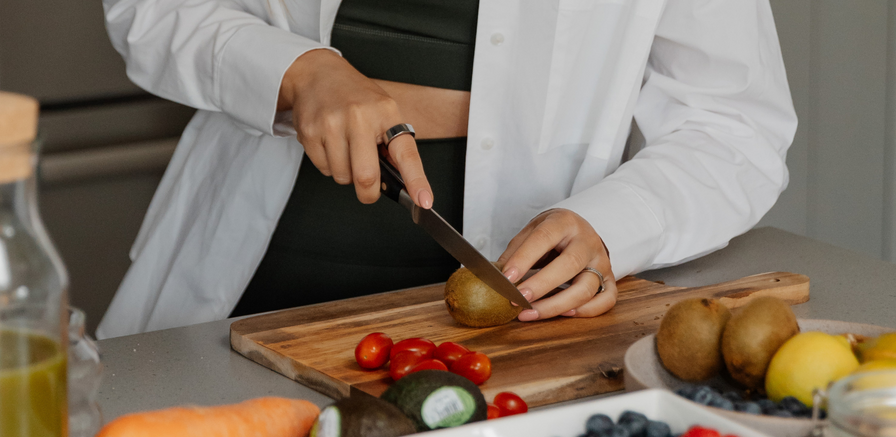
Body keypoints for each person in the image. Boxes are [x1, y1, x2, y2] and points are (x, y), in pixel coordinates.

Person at [95, 0, 796, 339]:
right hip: (243, 296)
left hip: (525, 332)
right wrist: (296, 72)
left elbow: (735, 123)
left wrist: (612, 227)